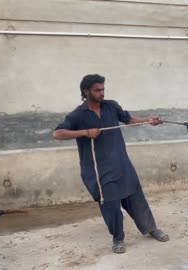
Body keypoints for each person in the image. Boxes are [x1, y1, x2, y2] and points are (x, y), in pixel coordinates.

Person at [53, 74, 169, 254]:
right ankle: (118, 238)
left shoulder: (111, 106)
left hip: (122, 164)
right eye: (97, 90)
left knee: (136, 197)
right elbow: (58, 134)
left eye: (103, 89)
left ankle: (151, 229)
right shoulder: (77, 114)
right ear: (86, 92)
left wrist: (149, 120)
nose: (101, 93)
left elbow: (129, 120)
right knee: (111, 205)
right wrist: (85, 132)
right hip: (99, 170)